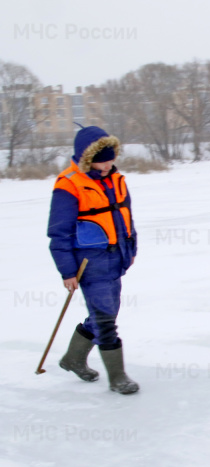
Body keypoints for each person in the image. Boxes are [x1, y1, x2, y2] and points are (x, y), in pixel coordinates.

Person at [47, 125, 139, 394]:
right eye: (104, 158)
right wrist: (67, 272)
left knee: (105, 314)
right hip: (88, 263)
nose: (110, 162)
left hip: (115, 259)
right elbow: (58, 233)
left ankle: (73, 359)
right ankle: (118, 378)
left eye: (112, 156)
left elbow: (125, 219)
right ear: (88, 158)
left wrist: (130, 249)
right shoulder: (69, 184)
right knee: (105, 321)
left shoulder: (115, 179)